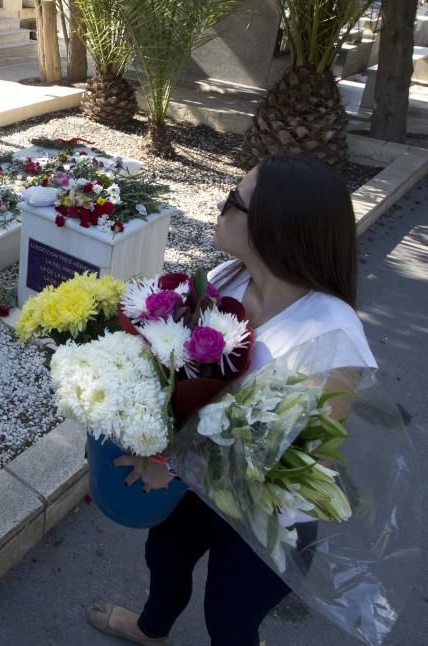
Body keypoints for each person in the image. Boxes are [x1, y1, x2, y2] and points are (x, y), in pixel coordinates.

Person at [87, 156, 377, 646]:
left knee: (229, 615)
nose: (221, 207)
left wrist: (174, 465)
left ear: (276, 227)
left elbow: (302, 457)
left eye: (233, 200)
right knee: (166, 556)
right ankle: (151, 628)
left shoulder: (331, 337)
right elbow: (181, 375)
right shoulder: (228, 278)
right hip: (196, 486)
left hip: (269, 513)